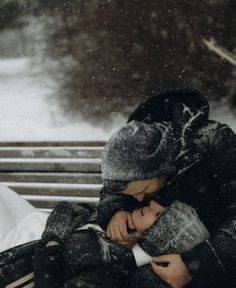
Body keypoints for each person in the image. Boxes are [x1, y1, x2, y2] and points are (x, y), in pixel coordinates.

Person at [98, 89, 236, 288]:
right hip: (155, 263)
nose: (139, 199)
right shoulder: (135, 145)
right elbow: (111, 189)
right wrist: (115, 210)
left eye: (143, 190)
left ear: (158, 167)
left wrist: (195, 266)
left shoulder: (214, 142)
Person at [0, 194, 209, 288]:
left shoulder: (112, 269)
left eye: (159, 215)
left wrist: (53, 242)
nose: (152, 203)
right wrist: (111, 215)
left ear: (159, 236)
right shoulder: (113, 227)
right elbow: (67, 207)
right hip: (18, 247)